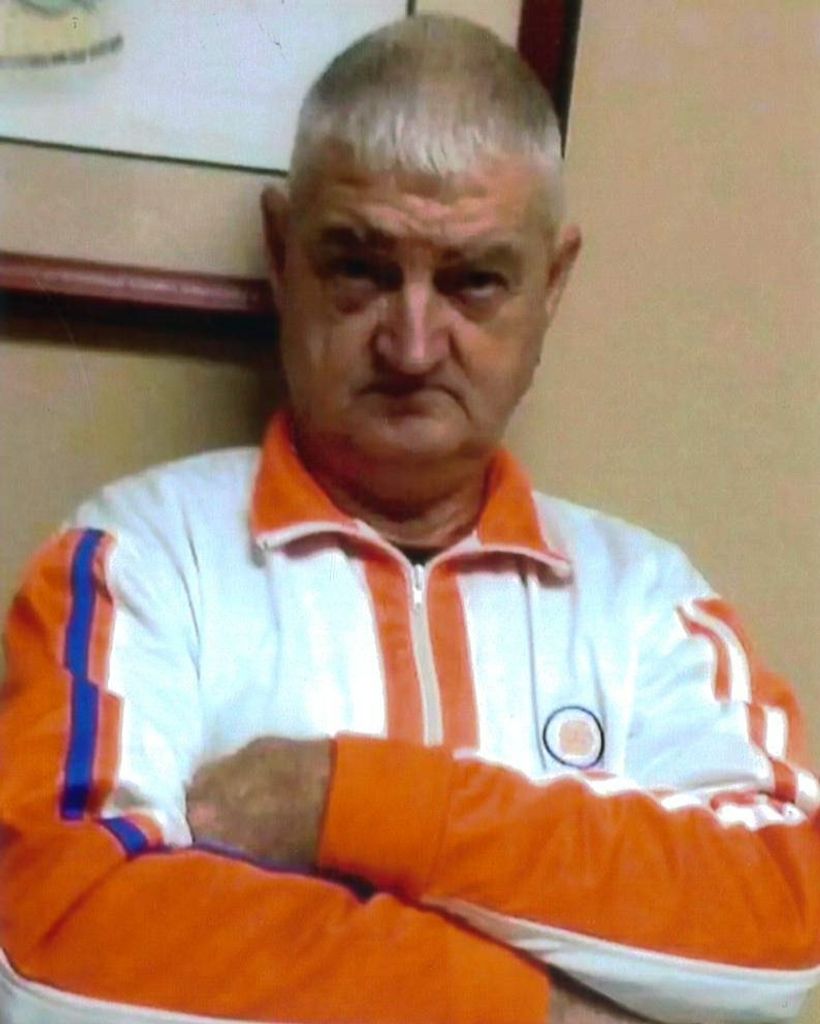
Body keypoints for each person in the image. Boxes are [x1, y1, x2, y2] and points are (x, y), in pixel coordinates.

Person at [0, 14, 818, 1024]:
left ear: (552, 284)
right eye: (361, 268)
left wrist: (344, 799)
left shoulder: (646, 601)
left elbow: (787, 915)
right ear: (281, 253)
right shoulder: (138, 557)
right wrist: (539, 1007)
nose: (414, 343)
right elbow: (53, 930)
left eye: (474, 281)